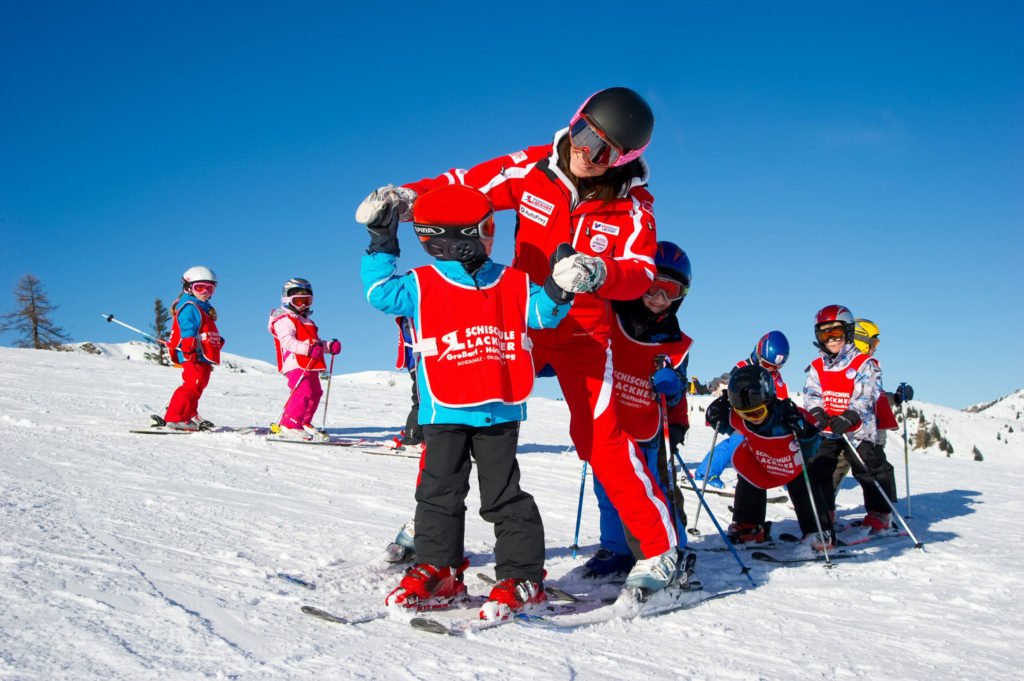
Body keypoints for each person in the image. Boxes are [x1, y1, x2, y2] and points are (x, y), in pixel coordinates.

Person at [356, 86, 681, 594]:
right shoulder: (533, 168)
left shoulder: (631, 207)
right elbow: (463, 187)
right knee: (454, 406)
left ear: (625, 160)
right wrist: (406, 198)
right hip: (519, 317)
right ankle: (431, 531)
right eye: (581, 134)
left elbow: (639, 272)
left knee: (600, 437)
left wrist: (599, 272)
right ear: (573, 121)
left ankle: (661, 554)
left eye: (602, 152)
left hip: (581, 333)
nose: (584, 153)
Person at [361, 184, 574, 620]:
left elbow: (541, 315)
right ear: (460, 235)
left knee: (503, 496)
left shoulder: (512, 280)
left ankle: (521, 578)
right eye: (488, 227)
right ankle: (438, 570)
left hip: (499, 406)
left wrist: (559, 287)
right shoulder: (422, 283)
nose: (493, 234)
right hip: (445, 407)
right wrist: (382, 241)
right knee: (438, 493)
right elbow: (380, 292)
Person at [580, 241, 693, 579]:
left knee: (652, 490)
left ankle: (671, 550)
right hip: (609, 422)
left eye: (670, 292)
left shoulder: (676, 342)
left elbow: (678, 393)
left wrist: (673, 398)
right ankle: (616, 548)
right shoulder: (608, 316)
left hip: (648, 428)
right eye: (651, 287)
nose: (659, 298)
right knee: (608, 488)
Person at [704, 365, 831, 548]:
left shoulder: (787, 416)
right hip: (761, 465)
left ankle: (818, 532)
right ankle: (749, 527)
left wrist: (805, 432)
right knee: (747, 475)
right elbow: (723, 425)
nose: (753, 418)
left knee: (805, 481)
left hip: (791, 467)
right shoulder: (740, 416)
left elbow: (814, 444)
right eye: (745, 415)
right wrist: (716, 414)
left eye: (757, 412)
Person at [804, 305, 898, 540]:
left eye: (836, 333)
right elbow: (811, 393)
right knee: (818, 467)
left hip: (858, 429)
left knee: (868, 468)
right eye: (825, 334)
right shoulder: (817, 366)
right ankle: (825, 515)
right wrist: (816, 411)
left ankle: (880, 513)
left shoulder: (864, 363)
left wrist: (850, 415)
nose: (832, 340)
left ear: (847, 331)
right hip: (828, 428)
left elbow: (867, 394)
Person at [693, 330, 791, 489]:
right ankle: (705, 474)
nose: (772, 370)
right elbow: (730, 388)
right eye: (767, 365)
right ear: (758, 354)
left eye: (777, 366)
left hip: (765, 422)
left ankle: (784, 481)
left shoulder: (776, 379)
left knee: (780, 444)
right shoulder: (743, 368)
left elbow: (782, 399)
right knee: (739, 440)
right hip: (742, 417)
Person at [832, 318, 913, 495]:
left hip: (867, 433)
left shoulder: (868, 366)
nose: (876, 347)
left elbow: (875, 396)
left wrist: (897, 398)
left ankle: (882, 514)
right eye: (874, 342)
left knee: (878, 472)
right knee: (839, 471)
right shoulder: (848, 366)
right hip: (850, 430)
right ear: (862, 340)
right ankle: (823, 510)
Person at [267, 278, 341, 441]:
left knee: (315, 393)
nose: (303, 305)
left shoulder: (307, 321)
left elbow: (315, 343)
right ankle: (289, 424)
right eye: (298, 301)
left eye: (307, 301)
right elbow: (288, 342)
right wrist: (308, 349)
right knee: (303, 392)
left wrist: (328, 346)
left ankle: (303, 421)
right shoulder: (283, 320)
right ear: (287, 300)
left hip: (310, 363)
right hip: (294, 363)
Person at [159, 266, 224, 430]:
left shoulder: (202, 307)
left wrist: (214, 341)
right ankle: (175, 417)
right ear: (188, 288)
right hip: (191, 353)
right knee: (192, 384)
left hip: (201, 354)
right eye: (199, 287)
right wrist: (189, 346)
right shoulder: (190, 306)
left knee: (198, 384)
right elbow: (187, 328)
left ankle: (187, 415)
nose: (205, 292)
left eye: (210, 288)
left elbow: (204, 329)